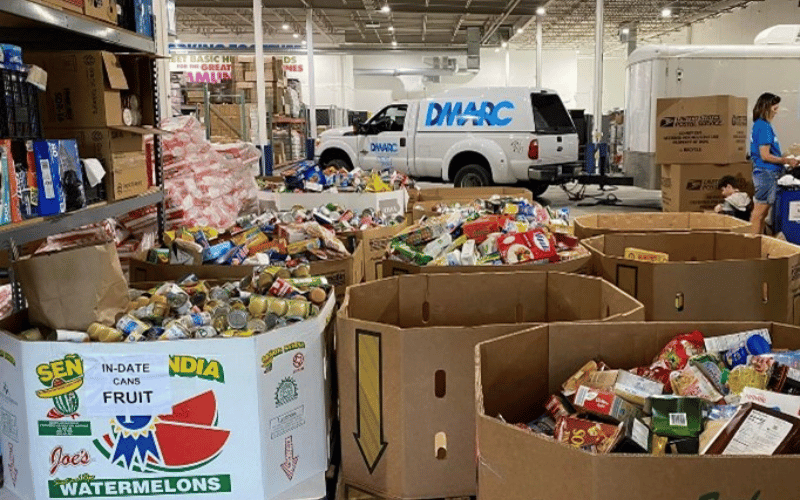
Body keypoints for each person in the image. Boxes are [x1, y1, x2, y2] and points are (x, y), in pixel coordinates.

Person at [750, 92, 799, 234]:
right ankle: (752, 245)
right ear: (766, 107)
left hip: (769, 172)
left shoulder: (764, 126)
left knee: (762, 214)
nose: (776, 111)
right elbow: (765, 155)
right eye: (775, 108)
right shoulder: (763, 126)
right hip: (766, 173)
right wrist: (786, 160)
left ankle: (757, 243)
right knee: (759, 213)